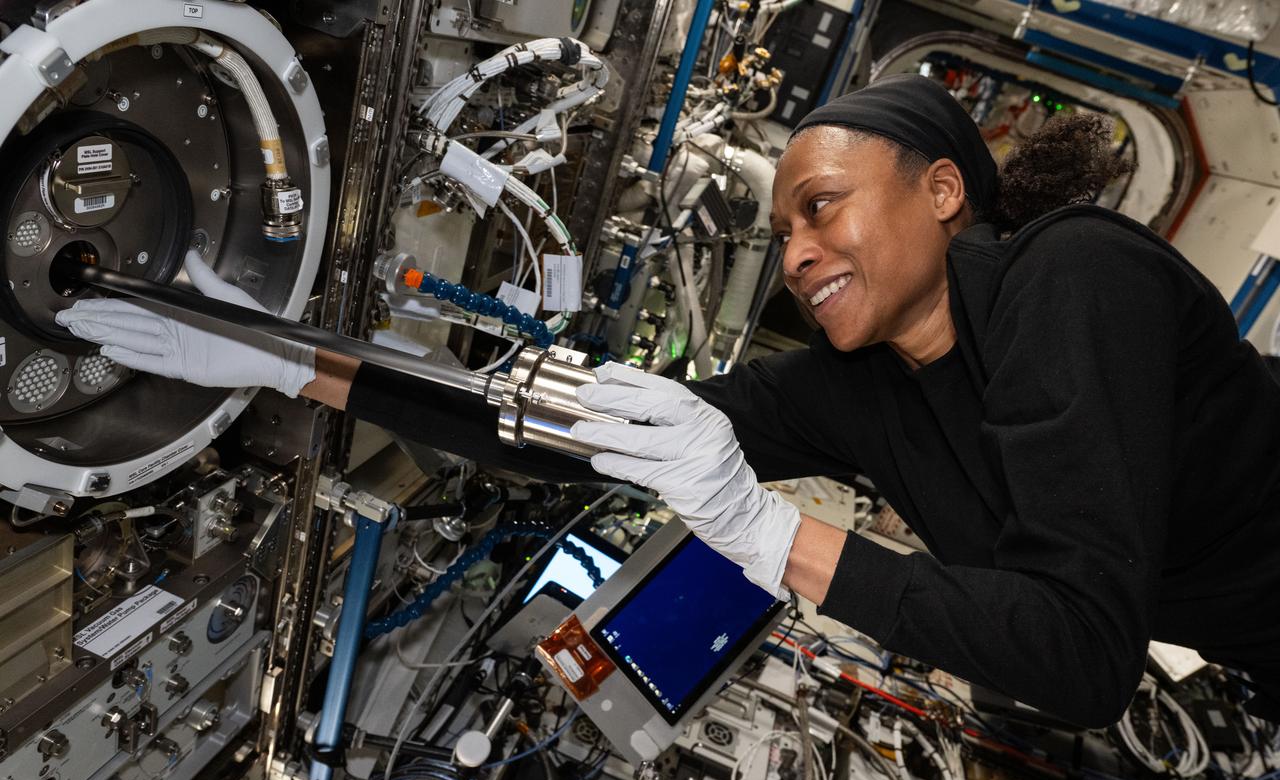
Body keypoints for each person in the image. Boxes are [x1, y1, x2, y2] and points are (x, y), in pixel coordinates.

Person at [57, 75, 1280, 727]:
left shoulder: (1073, 279)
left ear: (943, 191)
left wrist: (766, 534)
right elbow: (580, 443)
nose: (795, 253)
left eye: (821, 208)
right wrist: (289, 362)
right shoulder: (858, 389)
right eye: (781, 232)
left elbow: (1079, 654)